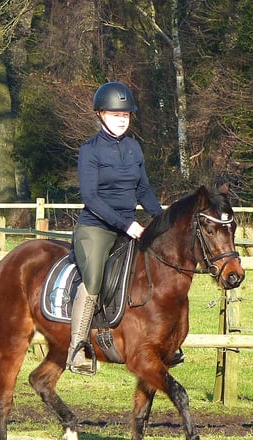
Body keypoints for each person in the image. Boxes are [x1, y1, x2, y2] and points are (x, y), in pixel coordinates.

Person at [67, 81, 165, 375]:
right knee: (94, 278)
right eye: (115, 115)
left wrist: (162, 219)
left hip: (129, 227)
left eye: (126, 115)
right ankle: (77, 347)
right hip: (96, 228)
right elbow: (91, 198)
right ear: (100, 115)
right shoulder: (90, 151)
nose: (122, 119)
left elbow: (144, 190)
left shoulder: (134, 148)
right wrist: (128, 225)